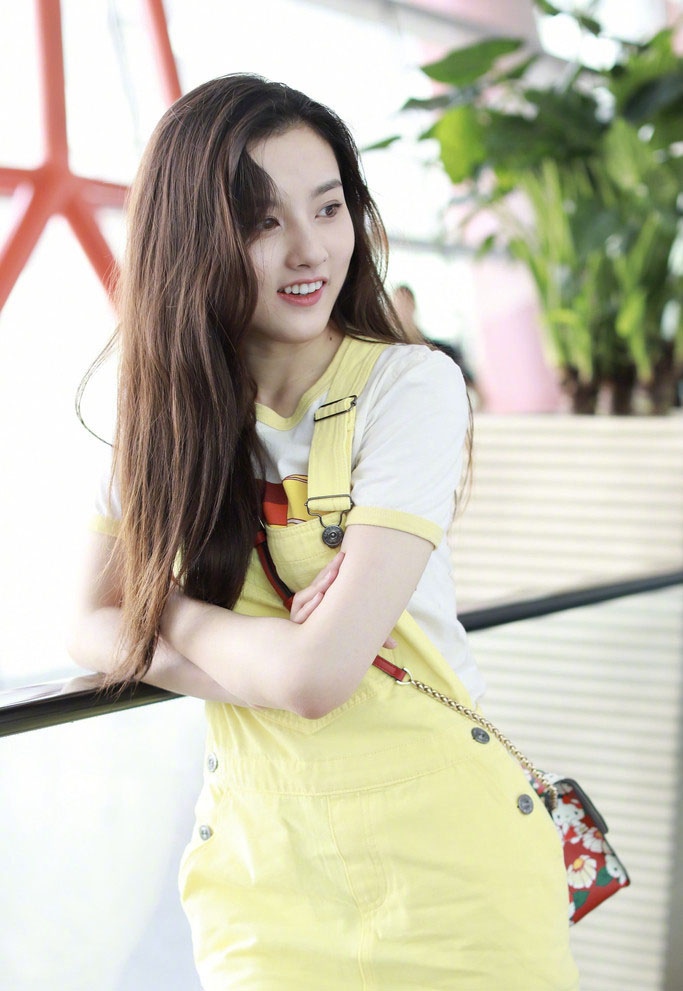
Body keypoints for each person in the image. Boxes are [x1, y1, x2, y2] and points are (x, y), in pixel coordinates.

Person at [68, 74, 578, 990]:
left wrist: (160, 610)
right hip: (262, 880)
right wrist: (249, 645)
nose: (310, 249)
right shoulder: (156, 413)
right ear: (190, 236)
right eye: (262, 221)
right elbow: (83, 623)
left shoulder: (408, 387)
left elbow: (315, 679)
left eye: (329, 207)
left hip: (453, 879)